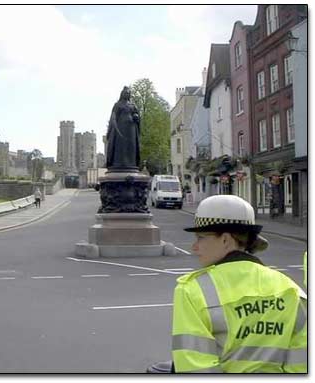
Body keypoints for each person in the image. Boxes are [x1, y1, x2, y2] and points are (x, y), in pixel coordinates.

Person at [148, 195, 306, 373]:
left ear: (225, 239)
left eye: (200, 237)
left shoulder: (193, 290)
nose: (194, 247)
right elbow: (301, 364)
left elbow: (196, 368)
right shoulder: (291, 289)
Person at [105, 86, 141, 171]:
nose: (127, 94)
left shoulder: (133, 105)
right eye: (125, 93)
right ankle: (119, 163)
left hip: (131, 129)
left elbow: (137, 116)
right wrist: (112, 128)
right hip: (121, 127)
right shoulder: (118, 104)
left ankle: (131, 163)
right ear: (122, 94)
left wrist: (136, 117)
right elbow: (113, 117)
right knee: (120, 146)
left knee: (131, 145)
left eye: (128, 93)